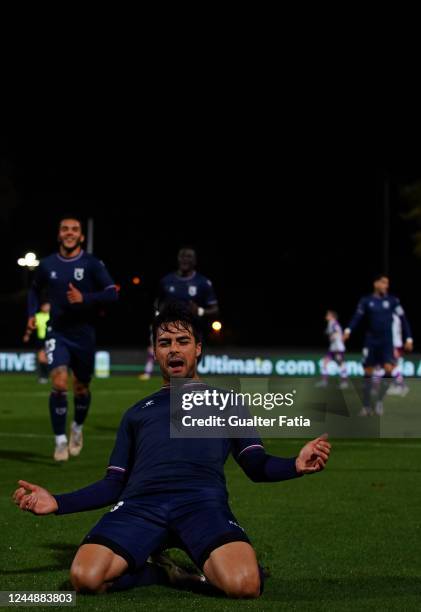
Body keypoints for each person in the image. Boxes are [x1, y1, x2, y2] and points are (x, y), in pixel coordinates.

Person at [13, 302, 331, 599]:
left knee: (244, 584)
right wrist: (58, 502)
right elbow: (113, 484)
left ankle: (187, 573)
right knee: (85, 578)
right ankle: (161, 573)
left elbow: (255, 464)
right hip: (140, 507)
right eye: (165, 343)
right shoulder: (137, 412)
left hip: (201, 505)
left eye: (182, 341)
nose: (174, 349)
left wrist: (295, 465)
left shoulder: (227, 402)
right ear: (155, 351)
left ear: (198, 348)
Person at [25, 216, 118, 461]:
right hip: (58, 332)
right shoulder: (47, 264)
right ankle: (60, 441)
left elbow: (112, 294)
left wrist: (85, 299)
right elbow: (34, 289)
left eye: (74, 229)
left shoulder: (92, 263)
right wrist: (31, 314)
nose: (69, 233)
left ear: (81, 236)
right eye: (65, 229)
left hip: (84, 335)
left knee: (81, 388)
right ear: (59, 235)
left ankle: (76, 428)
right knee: (58, 382)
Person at [139, 247, 218, 381]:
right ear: (177, 259)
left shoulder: (203, 283)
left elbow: (215, 310)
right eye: (182, 256)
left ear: (195, 261)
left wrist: (199, 310)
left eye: (188, 257)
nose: (185, 260)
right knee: (172, 372)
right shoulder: (166, 281)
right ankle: (171, 396)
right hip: (170, 332)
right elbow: (157, 303)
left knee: (190, 369)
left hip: (192, 331)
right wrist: (157, 319)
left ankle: (190, 396)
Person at [343, 274, 413, 416]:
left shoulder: (393, 300)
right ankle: (367, 406)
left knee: (388, 371)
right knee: (368, 373)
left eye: (387, 283)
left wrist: (409, 338)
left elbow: (403, 319)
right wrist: (348, 330)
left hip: (387, 342)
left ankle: (379, 401)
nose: (386, 286)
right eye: (383, 283)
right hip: (371, 342)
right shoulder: (366, 300)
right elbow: (357, 316)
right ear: (376, 284)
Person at [316, 310, 348, 389]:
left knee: (341, 364)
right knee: (324, 362)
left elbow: (337, 332)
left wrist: (333, 336)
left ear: (332, 316)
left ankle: (344, 382)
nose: (326, 316)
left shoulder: (334, 323)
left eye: (328, 315)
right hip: (332, 348)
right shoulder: (330, 323)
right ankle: (324, 382)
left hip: (338, 348)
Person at [23, 301, 50, 383]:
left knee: (49, 359)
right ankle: (44, 376)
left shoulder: (52, 315)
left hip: (50, 339)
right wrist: (27, 335)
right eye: (45, 306)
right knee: (42, 359)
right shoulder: (37, 316)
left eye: (48, 306)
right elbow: (30, 326)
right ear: (42, 307)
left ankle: (51, 375)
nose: (47, 307)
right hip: (41, 339)